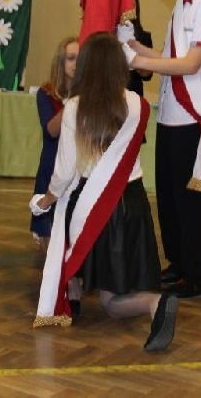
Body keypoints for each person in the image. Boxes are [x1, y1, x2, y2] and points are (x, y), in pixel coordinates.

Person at [30, 32, 178, 352]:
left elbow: (65, 171)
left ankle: (152, 302)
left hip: (95, 204)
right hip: (133, 203)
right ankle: (148, 300)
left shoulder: (74, 107)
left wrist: (45, 200)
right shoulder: (139, 105)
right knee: (119, 285)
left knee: (108, 300)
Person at [118, 0, 201, 300]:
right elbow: (167, 58)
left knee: (189, 200)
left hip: (193, 117)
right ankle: (178, 263)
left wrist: (138, 61)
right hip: (170, 114)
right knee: (167, 197)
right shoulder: (181, 5)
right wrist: (131, 45)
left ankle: (196, 275)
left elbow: (191, 64)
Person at [30, 36, 78, 244]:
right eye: (71, 58)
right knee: (48, 232)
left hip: (79, 166)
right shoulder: (46, 92)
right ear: (60, 61)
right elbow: (51, 131)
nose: (76, 64)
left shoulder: (90, 93)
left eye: (81, 59)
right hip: (52, 164)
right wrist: (73, 102)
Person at [127, 0, 154, 98]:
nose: (129, 10)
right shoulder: (109, 35)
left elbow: (148, 76)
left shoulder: (144, 37)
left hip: (134, 93)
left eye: (133, 6)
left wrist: (140, 66)